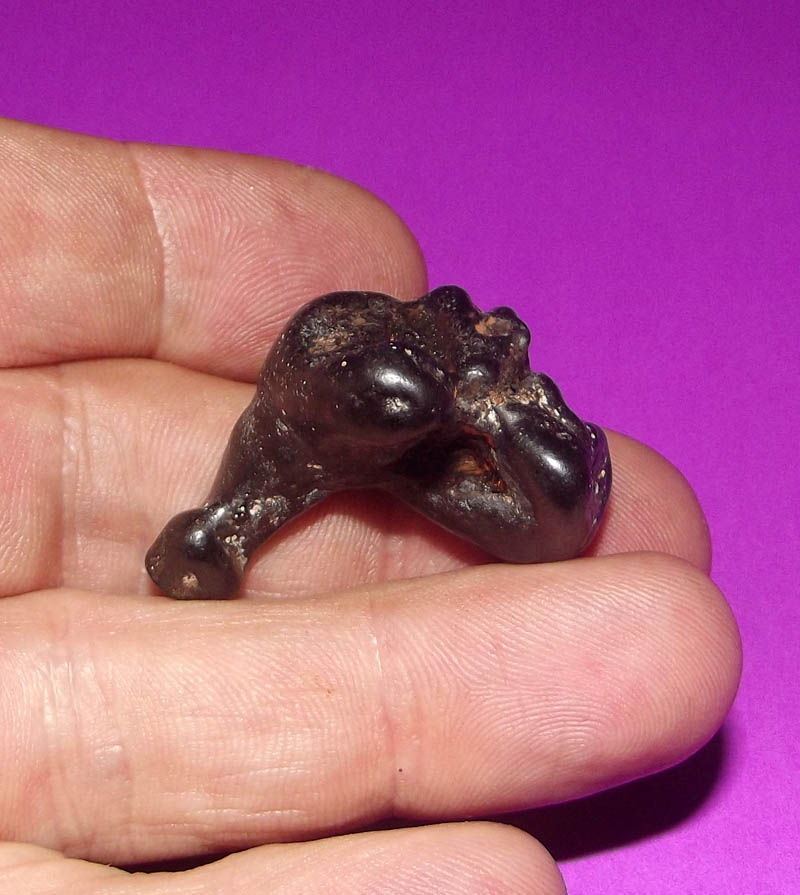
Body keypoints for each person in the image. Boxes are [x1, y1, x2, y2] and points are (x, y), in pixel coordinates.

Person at [0, 117, 741, 894]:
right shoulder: (334, 404)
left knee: (538, 512)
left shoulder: (412, 402)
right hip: (329, 435)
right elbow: (394, 395)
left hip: (373, 440)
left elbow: (530, 490)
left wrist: (486, 410)